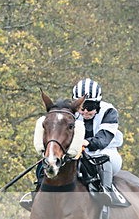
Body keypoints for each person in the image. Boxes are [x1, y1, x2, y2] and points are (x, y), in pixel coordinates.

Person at [21, 78, 123, 210]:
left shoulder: (109, 112)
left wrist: (87, 143)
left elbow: (104, 137)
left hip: (104, 150)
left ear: (98, 103)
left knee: (106, 160)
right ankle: (37, 191)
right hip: (78, 149)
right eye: (83, 107)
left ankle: (107, 191)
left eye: (91, 107)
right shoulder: (71, 111)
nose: (85, 111)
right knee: (49, 159)